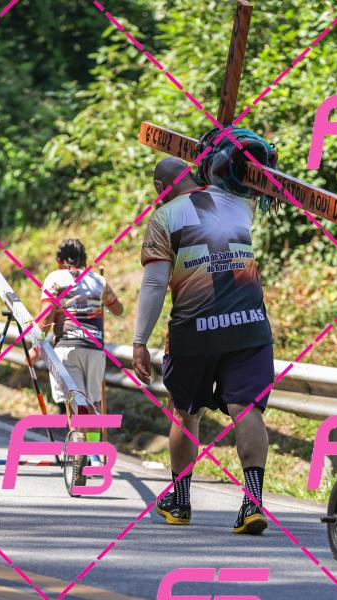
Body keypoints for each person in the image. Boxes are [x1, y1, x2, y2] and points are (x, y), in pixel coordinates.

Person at [133, 156, 273, 535]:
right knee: (246, 409)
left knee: (185, 411)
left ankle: (180, 502)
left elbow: (154, 284)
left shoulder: (164, 217)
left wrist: (139, 340)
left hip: (195, 329)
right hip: (249, 325)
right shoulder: (239, 204)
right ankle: (253, 503)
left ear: (160, 188)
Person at [35, 239, 123, 434]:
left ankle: (79, 449)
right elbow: (118, 309)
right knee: (93, 405)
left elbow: (47, 314)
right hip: (94, 348)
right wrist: (105, 299)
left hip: (67, 347)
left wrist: (36, 344)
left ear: (59, 261)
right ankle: (93, 450)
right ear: (84, 260)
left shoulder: (55, 278)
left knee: (76, 405)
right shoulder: (98, 281)